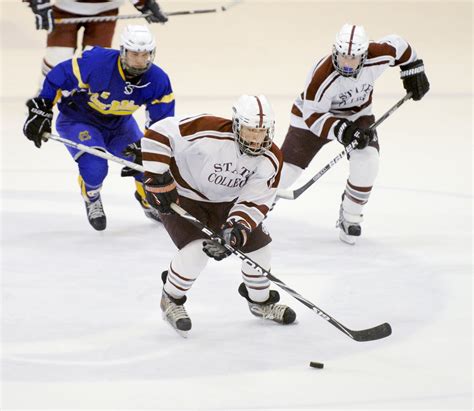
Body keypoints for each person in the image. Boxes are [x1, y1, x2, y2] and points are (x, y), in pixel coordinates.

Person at [140, 95, 296, 336]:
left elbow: (255, 199)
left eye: (262, 132)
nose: (256, 139)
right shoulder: (208, 130)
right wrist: (157, 174)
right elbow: (159, 133)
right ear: (236, 125)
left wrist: (236, 230)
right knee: (196, 252)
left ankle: (260, 302)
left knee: (259, 252)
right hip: (184, 197)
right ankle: (171, 299)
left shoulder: (271, 158)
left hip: (227, 203)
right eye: (249, 130)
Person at [279, 24, 430, 245]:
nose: (347, 64)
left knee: (368, 162)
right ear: (334, 52)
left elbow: (400, 45)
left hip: (358, 116)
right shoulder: (321, 77)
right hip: (314, 119)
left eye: (353, 58)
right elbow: (313, 117)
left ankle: (350, 216)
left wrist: (413, 69)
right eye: (342, 57)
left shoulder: (378, 55)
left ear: (364, 54)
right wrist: (344, 131)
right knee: (284, 173)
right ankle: (251, 215)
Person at [23, 25, 175, 231]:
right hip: (79, 120)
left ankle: (146, 198)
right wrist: (42, 108)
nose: (140, 60)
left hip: (120, 126)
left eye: (145, 54)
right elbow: (59, 75)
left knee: (147, 163)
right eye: (134, 54)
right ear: (123, 52)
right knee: (95, 166)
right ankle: (92, 196)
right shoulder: (97, 63)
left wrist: (152, 146)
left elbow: (161, 122)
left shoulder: (158, 80)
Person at [23, 0, 167, 85]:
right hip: (65, 8)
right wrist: (40, 4)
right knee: (57, 56)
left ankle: (86, 99)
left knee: (95, 60)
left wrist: (145, 3)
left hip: (105, 11)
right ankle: (44, 95)